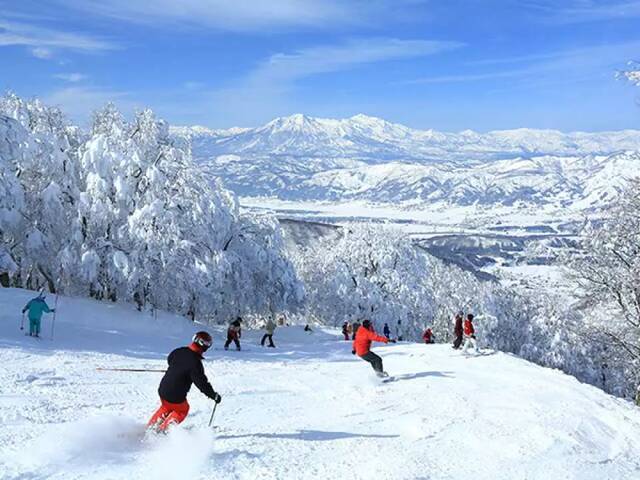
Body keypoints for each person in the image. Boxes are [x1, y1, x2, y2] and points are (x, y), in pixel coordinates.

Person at [147, 331, 221, 432]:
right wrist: (213, 395)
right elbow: (201, 383)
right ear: (204, 346)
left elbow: (170, 359)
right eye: (208, 344)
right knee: (182, 409)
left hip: (163, 390)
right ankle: (163, 431)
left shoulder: (179, 351)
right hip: (176, 396)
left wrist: (178, 368)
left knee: (166, 407)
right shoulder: (195, 363)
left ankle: (150, 428)